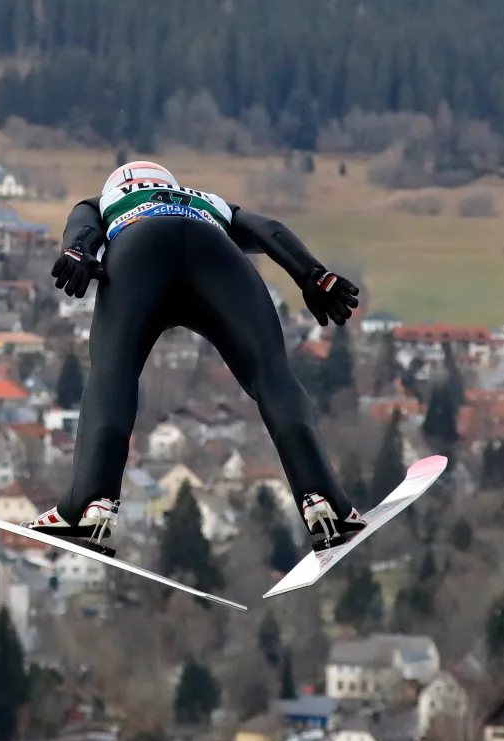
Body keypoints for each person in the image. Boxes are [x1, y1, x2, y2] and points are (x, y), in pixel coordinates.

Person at [21, 160, 367, 553]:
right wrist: (313, 274)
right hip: (215, 253)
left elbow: (82, 229)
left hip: (140, 251)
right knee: (273, 376)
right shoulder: (209, 202)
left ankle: (89, 503)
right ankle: (324, 500)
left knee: (112, 375)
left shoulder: (105, 201)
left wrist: (78, 250)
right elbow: (269, 230)